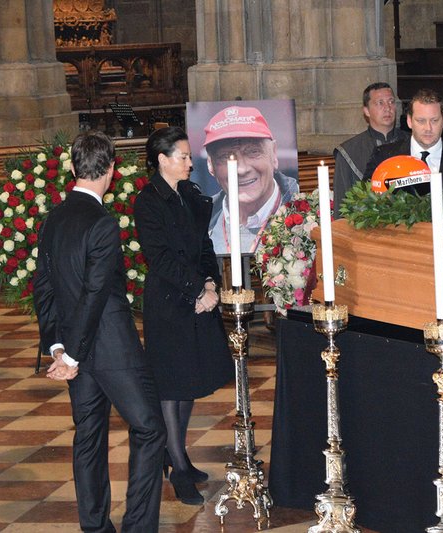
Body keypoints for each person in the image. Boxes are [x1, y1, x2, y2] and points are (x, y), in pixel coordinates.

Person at [33, 131, 166, 532]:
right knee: (150, 428)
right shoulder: (102, 223)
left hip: (75, 350)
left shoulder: (52, 219)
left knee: (88, 436)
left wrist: (59, 348)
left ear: (74, 168)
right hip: (111, 348)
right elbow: (95, 294)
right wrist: (70, 355)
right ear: (110, 169)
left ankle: (94, 526)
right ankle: (137, 527)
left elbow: (44, 287)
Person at [134, 126, 235, 505]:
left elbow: (205, 244)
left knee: (190, 380)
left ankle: (177, 454)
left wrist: (210, 283)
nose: (191, 163)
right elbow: (159, 258)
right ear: (162, 160)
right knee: (171, 386)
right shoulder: (148, 201)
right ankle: (178, 467)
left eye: (190, 156)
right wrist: (197, 290)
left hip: (197, 296)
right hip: (169, 303)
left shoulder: (189, 193)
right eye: (184, 157)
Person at [364, 88, 443, 215]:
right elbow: (365, 206)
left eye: (434, 121)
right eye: (421, 121)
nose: (428, 128)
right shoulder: (384, 157)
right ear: (409, 121)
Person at [204, 105, 299, 254]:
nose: (242, 169)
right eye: (226, 157)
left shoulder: (307, 214)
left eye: (253, 152)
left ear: (274, 154)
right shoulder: (200, 223)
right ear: (211, 164)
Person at [333, 82, 410, 217]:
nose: (388, 108)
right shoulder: (348, 151)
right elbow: (342, 207)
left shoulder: (412, 143)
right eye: (380, 103)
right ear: (366, 111)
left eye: (391, 102)